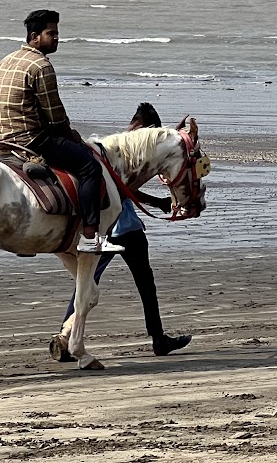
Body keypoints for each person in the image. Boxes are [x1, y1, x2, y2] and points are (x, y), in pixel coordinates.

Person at [52, 101, 192, 359]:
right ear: (147, 128)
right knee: (137, 283)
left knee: (86, 280)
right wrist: (158, 202)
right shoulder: (129, 150)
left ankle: (65, 333)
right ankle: (157, 339)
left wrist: (175, 133)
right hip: (121, 227)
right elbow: (127, 187)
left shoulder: (114, 145)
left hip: (115, 226)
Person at [0, 9, 116, 255]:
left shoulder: (6, 60)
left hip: (3, 138)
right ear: (35, 37)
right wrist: (72, 135)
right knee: (89, 166)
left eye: (57, 33)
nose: (57, 38)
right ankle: (90, 235)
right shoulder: (41, 65)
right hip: (32, 140)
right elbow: (55, 114)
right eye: (52, 33)